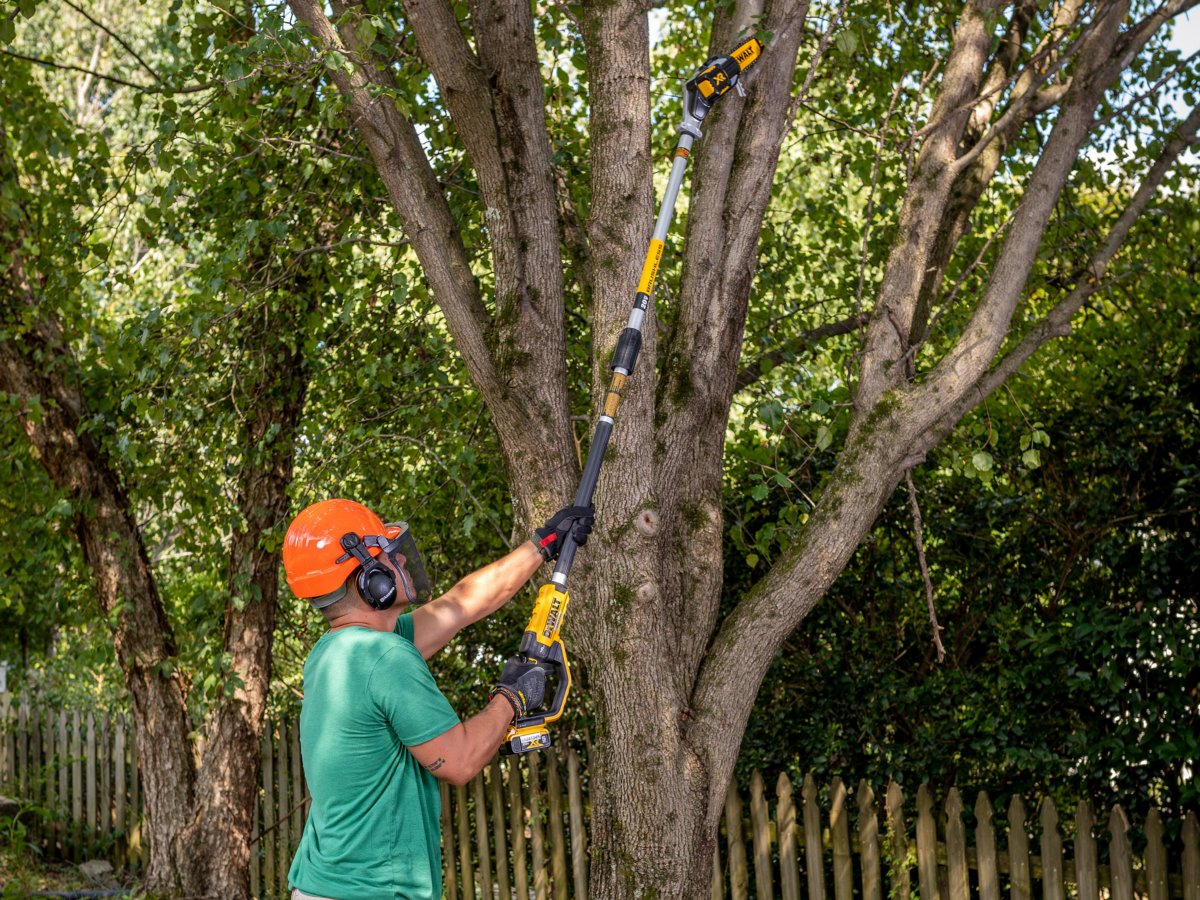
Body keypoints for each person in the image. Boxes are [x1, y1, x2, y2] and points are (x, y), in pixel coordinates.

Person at [282, 498, 593, 900]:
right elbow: (459, 762)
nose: (404, 563)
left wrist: (543, 544)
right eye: (390, 556)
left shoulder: (335, 653)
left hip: (323, 885)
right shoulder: (386, 657)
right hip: (372, 892)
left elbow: (461, 604)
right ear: (371, 579)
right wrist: (512, 698)